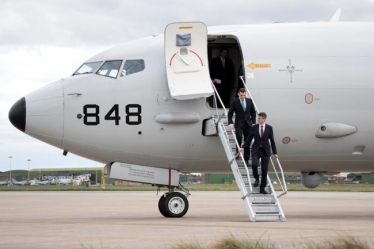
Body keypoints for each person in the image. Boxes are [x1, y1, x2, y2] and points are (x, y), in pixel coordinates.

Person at [239, 112, 278, 194]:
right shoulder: (254, 127)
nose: (258, 119)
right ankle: (256, 178)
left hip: (265, 151)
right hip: (256, 150)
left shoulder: (269, 128)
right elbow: (249, 138)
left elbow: (272, 141)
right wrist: (243, 147)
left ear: (264, 119)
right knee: (254, 164)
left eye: (259, 118)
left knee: (264, 170)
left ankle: (262, 188)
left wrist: (275, 152)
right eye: (258, 118)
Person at [228, 88, 256, 164]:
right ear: (238, 94)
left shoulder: (249, 101)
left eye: (244, 95)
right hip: (239, 123)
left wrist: (253, 122)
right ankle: (238, 152)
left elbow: (253, 112)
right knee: (239, 137)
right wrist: (230, 123)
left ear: (245, 94)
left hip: (248, 124)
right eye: (241, 95)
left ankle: (246, 159)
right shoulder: (235, 102)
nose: (243, 97)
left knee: (247, 141)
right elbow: (230, 113)